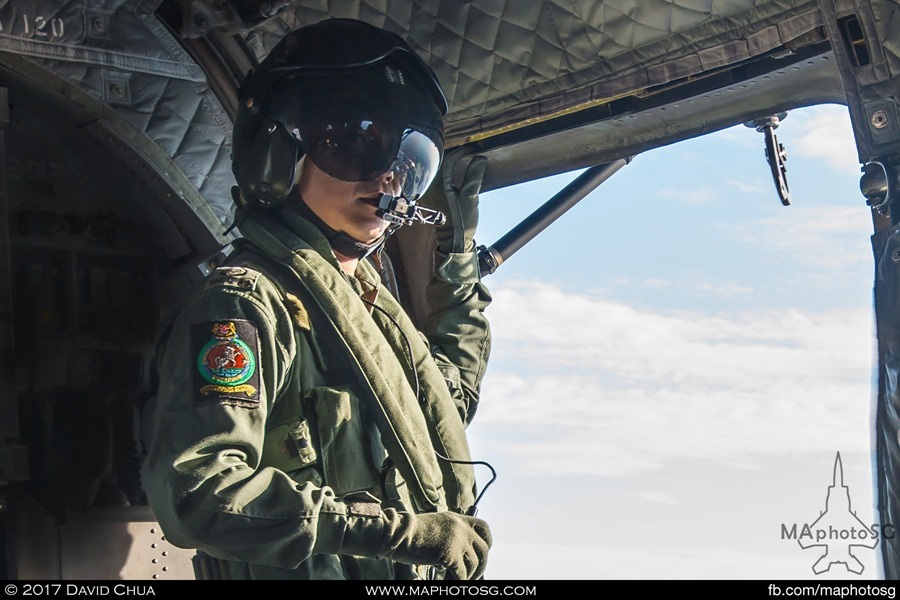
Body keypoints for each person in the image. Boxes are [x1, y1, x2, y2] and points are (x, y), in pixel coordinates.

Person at [138, 18, 494, 581]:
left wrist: (458, 274)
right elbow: (200, 492)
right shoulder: (246, 307)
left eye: (407, 161)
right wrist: (397, 534)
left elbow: (445, 405)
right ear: (278, 155)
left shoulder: (371, 309)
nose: (386, 181)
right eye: (352, 145)